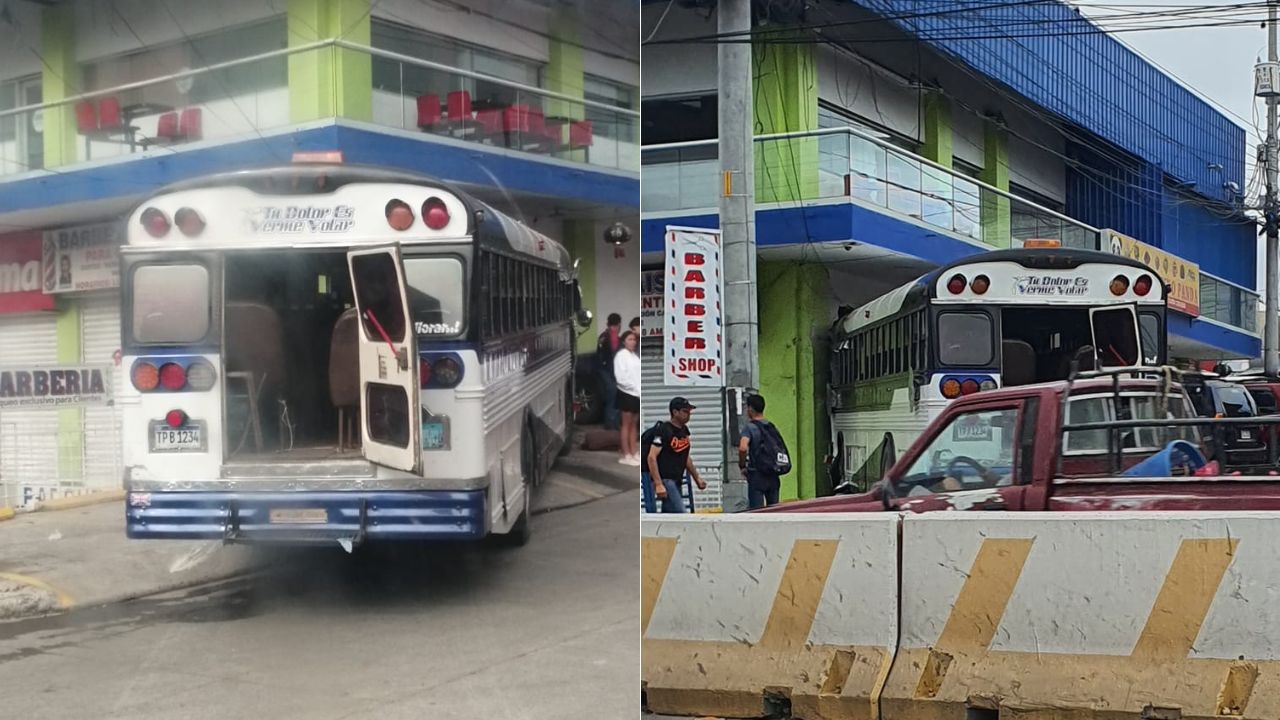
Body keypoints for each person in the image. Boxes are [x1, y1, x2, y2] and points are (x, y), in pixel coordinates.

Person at [646, 397, 706, 513]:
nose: (688, 415)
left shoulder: (684, 431)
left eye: (689, 412)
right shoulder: (664, 430)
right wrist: (658, 484)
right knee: (681, 513)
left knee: (669, 515)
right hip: (666, 479)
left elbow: (686, 457)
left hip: (676, 479)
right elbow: (651, 457)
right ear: (675, 412)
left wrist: (697, 478)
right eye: (685, 411)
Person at [737, 394, 787, 509]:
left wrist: (742, 466)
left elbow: (743, 448)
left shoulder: (749, 428)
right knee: (774, 512)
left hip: (757, 476)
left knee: (757, 513)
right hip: (773, 474)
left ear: (750, 408)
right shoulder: (770, 426)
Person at [614, 330, 641, 466]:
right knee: (626, 424)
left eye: (634, 339)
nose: (633, 342)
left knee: (634, 424)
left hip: (636, 394)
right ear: (624, 341)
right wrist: (632, 388)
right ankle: (626, 454)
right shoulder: (621, 356)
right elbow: (621, 377)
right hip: (626, 393)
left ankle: (634, 452)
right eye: (630, 339)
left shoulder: (634, 357)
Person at [596, 313, 622, 430]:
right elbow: (601, 357)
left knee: (615, 396)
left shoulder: (617, 338)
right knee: (612, 394)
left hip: (614, 371)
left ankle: (614, 424)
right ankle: (611, 424)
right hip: (606, 371)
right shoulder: (605, 338)